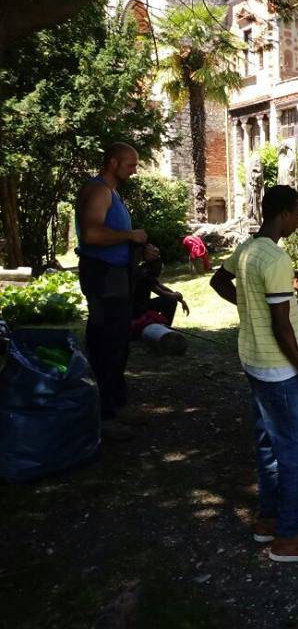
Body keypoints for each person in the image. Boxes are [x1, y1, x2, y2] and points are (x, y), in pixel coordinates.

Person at [210, 185, 298, 564]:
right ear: (283, 213)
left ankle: (268, 518)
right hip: (276, 368)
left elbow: (218, 281)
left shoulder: (247, 249)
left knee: (268, 442)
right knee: (296, 450)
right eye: (297, 213)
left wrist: (249, 306)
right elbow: (283, 330)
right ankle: (287, 539)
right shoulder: (276, 259)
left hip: (251, 359)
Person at [75, 142, 158, 441]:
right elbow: (91, 233)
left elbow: (109, 236)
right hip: (103, 276)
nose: (135, 170)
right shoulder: (98, 191)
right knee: (107, 341)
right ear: (112, 163)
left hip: (115, 274)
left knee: (119, 340)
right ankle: (104, 415)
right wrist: (129, 235)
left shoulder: (112, 193)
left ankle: (117, 405)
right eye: (131, 165)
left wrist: (138, 247)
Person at [132, 258, 189, 325]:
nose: (161, 271)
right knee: (171, 300)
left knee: (171, 298)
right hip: (138, 309)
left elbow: (163, 288)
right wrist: (177, 295)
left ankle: (164, 325)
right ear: (154, 268)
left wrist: (181, 300)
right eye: (160, 268)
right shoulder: (145, 277)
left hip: (142, 305)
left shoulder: (148, 274)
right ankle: (165, 326)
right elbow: (162, 293)